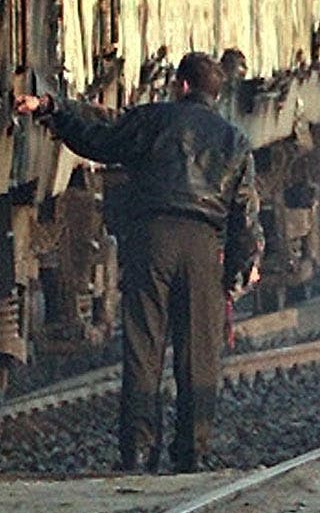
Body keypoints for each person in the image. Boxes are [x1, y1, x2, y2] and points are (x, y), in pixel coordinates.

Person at [15, 52, 262, 473]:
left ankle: (139, 451)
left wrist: (54, 114)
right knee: (199, 355)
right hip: (203, 247)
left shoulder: (154, 120)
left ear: (182, 85)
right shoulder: (234, 140)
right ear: (213, 94)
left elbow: (98, 141)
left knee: (144, 349)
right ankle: (192, 453)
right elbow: (244, 213)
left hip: (153, 240)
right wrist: (243, 264)